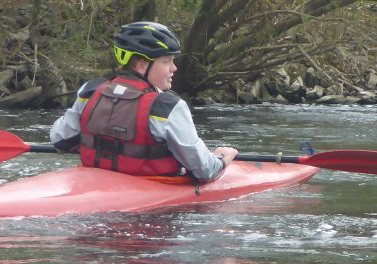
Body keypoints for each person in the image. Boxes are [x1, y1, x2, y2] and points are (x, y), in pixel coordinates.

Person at [50, 21, 238, 181]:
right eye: (166, 61)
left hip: (93, 187)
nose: (174, 68)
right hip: (151, 199)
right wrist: (221, 160)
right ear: (141, 65)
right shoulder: (167, 107)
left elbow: (60, 139)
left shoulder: (90, 91)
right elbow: (205, 170)